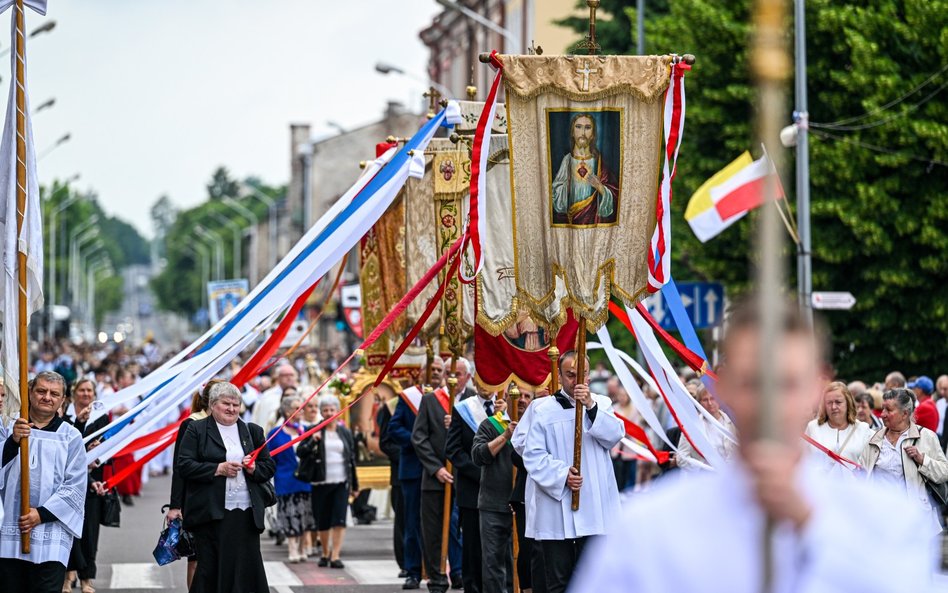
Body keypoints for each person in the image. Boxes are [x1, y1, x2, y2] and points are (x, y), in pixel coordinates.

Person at [569, 300, 937, 593]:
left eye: (786, 383)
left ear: (815, 389)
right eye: (752, 382)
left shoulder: (887, 520)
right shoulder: (649, 527)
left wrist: (811, 525)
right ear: (724, 389)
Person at [518, 351, 623, 593]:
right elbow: (532, 454)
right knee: (558, 581)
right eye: (570, 375)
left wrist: (589, 405)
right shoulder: (543, 410)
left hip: (594, 507)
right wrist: (562, 474)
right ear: (560, 375)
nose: (576, 381)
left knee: (592, 579)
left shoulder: (602, 404)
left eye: (581, 375)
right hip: (558, 507)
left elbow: (614, 435)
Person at [176, 381, 276, 593]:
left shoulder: (253, 432)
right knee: (210, 568)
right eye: (226, 404)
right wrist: (217, 469)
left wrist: (253, 468)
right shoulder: (196, 429)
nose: (231, 409)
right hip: (211, 513)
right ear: (212, 405)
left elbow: (268, 467)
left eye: (236, 404)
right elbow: (184, 465)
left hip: (246, 514)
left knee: (246, 567)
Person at [0, 372, 87, 592]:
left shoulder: (71, 436)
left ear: (62, 399)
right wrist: (13, 442)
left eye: (54, 393)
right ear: (29, 393)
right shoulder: (9, 427)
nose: (47, 397)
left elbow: (75, 485)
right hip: (10, 527)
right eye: (41, 391)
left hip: (51, 531)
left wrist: (41, 514)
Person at [861, 388, 948, 535]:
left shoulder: (926, 437)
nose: (882, 414)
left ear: (905, 414)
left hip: (917, 521)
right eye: (882, 409)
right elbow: (864, 476)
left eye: (888, 410)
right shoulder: (873, 439)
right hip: (881, 521)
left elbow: (944, 472)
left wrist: (922, 460)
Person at [410, 357, 461, 593]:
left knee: (463, 530)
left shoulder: (470, 399)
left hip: (465, 477)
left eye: (459, 374)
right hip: (435, 478)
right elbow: (418, 437)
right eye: (452, 373)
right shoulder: (430, 400)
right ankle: (437, 578)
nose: (455, 378)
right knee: (432, 531)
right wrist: (436, 468)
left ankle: (462, 573)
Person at [296, 394, 358, 568]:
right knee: (323, 520)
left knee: (339, 519)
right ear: (321, 413)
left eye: (332, 410)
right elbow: (300, 452)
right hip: (320, 482)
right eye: (325, 410)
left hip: (341, 481)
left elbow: (351, 459)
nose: (329, 413)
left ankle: (335, 555)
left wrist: (355, 485)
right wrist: (312, 441)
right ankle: (325, 552)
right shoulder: (314, 429)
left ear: (338, 412)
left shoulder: (344, 432)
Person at [446, 382, 496, 593]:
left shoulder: (508, 406)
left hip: (501, 490)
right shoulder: (463, 409)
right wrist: (478, 472)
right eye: (481, 380)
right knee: (473, 547)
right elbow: (453, 449)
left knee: (497, 548)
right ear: (474, 382)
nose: (486, 385)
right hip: (472, 489)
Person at [63, 378, 111, 593]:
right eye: (81, 390)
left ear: (94, 393)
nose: (85, 394)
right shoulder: (65, 416)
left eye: (89, 390)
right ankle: (68, 575)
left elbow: (111, 450)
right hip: (70, 482)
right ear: (74, 393)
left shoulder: (103, 418)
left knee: (90, 534)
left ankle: (86, 579)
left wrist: (98, 455)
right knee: (69, 531)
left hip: (93, 484)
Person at [167, 382, 213, 589]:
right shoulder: (192, 423)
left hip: (220, 498)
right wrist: (175, 505)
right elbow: (180, 466)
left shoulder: (228, 423)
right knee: (195, 557)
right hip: (194, 498)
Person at [471, 393, 518, 593]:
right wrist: (505, 436)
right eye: (517, 396)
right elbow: (478, 455)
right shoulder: (491, 424)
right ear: (506, 398)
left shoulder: (537, 422)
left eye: (526, 395)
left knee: (521, 561)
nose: (522, 400)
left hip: (525, 505)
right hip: (493, 504)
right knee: (493, 564)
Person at [388, 380, 428, 590]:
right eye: (433, 370)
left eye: (440, 371)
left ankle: (446, 569)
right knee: (412, 522)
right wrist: (416, 439)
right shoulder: (407, 398)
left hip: (439, 469)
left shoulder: (448, 397)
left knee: (444, 522)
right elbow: (393, 429)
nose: (436, 374)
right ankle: (413, 571)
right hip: (413, 469)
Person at [267, 394, 314, 563]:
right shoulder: (276, 433)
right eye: (296, 408)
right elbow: (268, 458)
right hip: (285, 480)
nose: (300, 411)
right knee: (289, 514)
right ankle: (292, 548)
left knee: (305, 515)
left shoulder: (307, 430)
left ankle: (302, 547)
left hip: (305, 480)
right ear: (287, 411)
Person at [551, 113, 618, 226]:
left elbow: (615, 195)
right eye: (578, 127)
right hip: (571, 224)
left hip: (593, 224)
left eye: (587, 128)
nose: (582, 133)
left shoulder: (599, 163)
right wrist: (565, 187)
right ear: (572, 132)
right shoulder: (567, 160)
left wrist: (600, 188)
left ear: (593, 134)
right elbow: (554, 195)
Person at [803, 381, 872, 473]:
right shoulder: (813, 427)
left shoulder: (863, 429)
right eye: (829, 403)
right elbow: (803, 460)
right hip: (820, 486)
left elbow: (869, 465)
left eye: (838, 402)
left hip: (852, 486)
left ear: (848, 403)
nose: (833, 407)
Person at [377, 390, 407, 578]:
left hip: (434, 472)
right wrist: (410, 454)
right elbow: (386, 442)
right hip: (403, 472)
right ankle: (406, 563)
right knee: (404, 519)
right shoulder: (394, 404)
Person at [676, 383, 738, 471]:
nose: (710, 403)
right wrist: (703, 469)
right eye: (705, 400)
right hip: (703, 479)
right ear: (699, 403)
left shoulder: (733, 423)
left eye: (713, 398)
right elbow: (681, 458)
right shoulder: (692, 425)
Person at [251, 364, 299, 431]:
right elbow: (262, 421)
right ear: (278, 377)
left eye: (291, 375)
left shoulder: (301, 393)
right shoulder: (267, 396)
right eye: (285, 375)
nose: (289, 378)